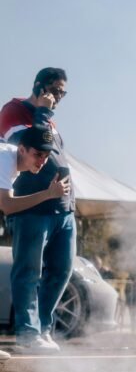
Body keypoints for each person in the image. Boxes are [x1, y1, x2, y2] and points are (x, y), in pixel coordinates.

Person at [0, 68, 76, 352]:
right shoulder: (14, 110)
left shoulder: (51, 120)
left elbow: (56, 155)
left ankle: (43, 329)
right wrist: (44, 112)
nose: (59, 96)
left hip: (62, 207)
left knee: (62, 269)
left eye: (62, 92)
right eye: (55, 89)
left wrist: (68, 201)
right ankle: (28, 333)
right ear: (39, 87)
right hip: (32, 207)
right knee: (28, 271)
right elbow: (30, 145)